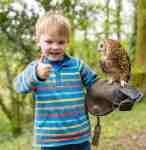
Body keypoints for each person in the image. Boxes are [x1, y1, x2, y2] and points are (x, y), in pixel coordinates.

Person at [14, 10, 98, 150]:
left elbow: (95, 84)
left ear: (67, 43)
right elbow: (19, 86)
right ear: (39, 41)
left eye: (61, 42)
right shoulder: (35, 68)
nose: (55, 47)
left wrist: (113, 90)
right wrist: (36, 75)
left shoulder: (78, 65)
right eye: (49, 41)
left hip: (80, 137)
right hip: (50, 140)